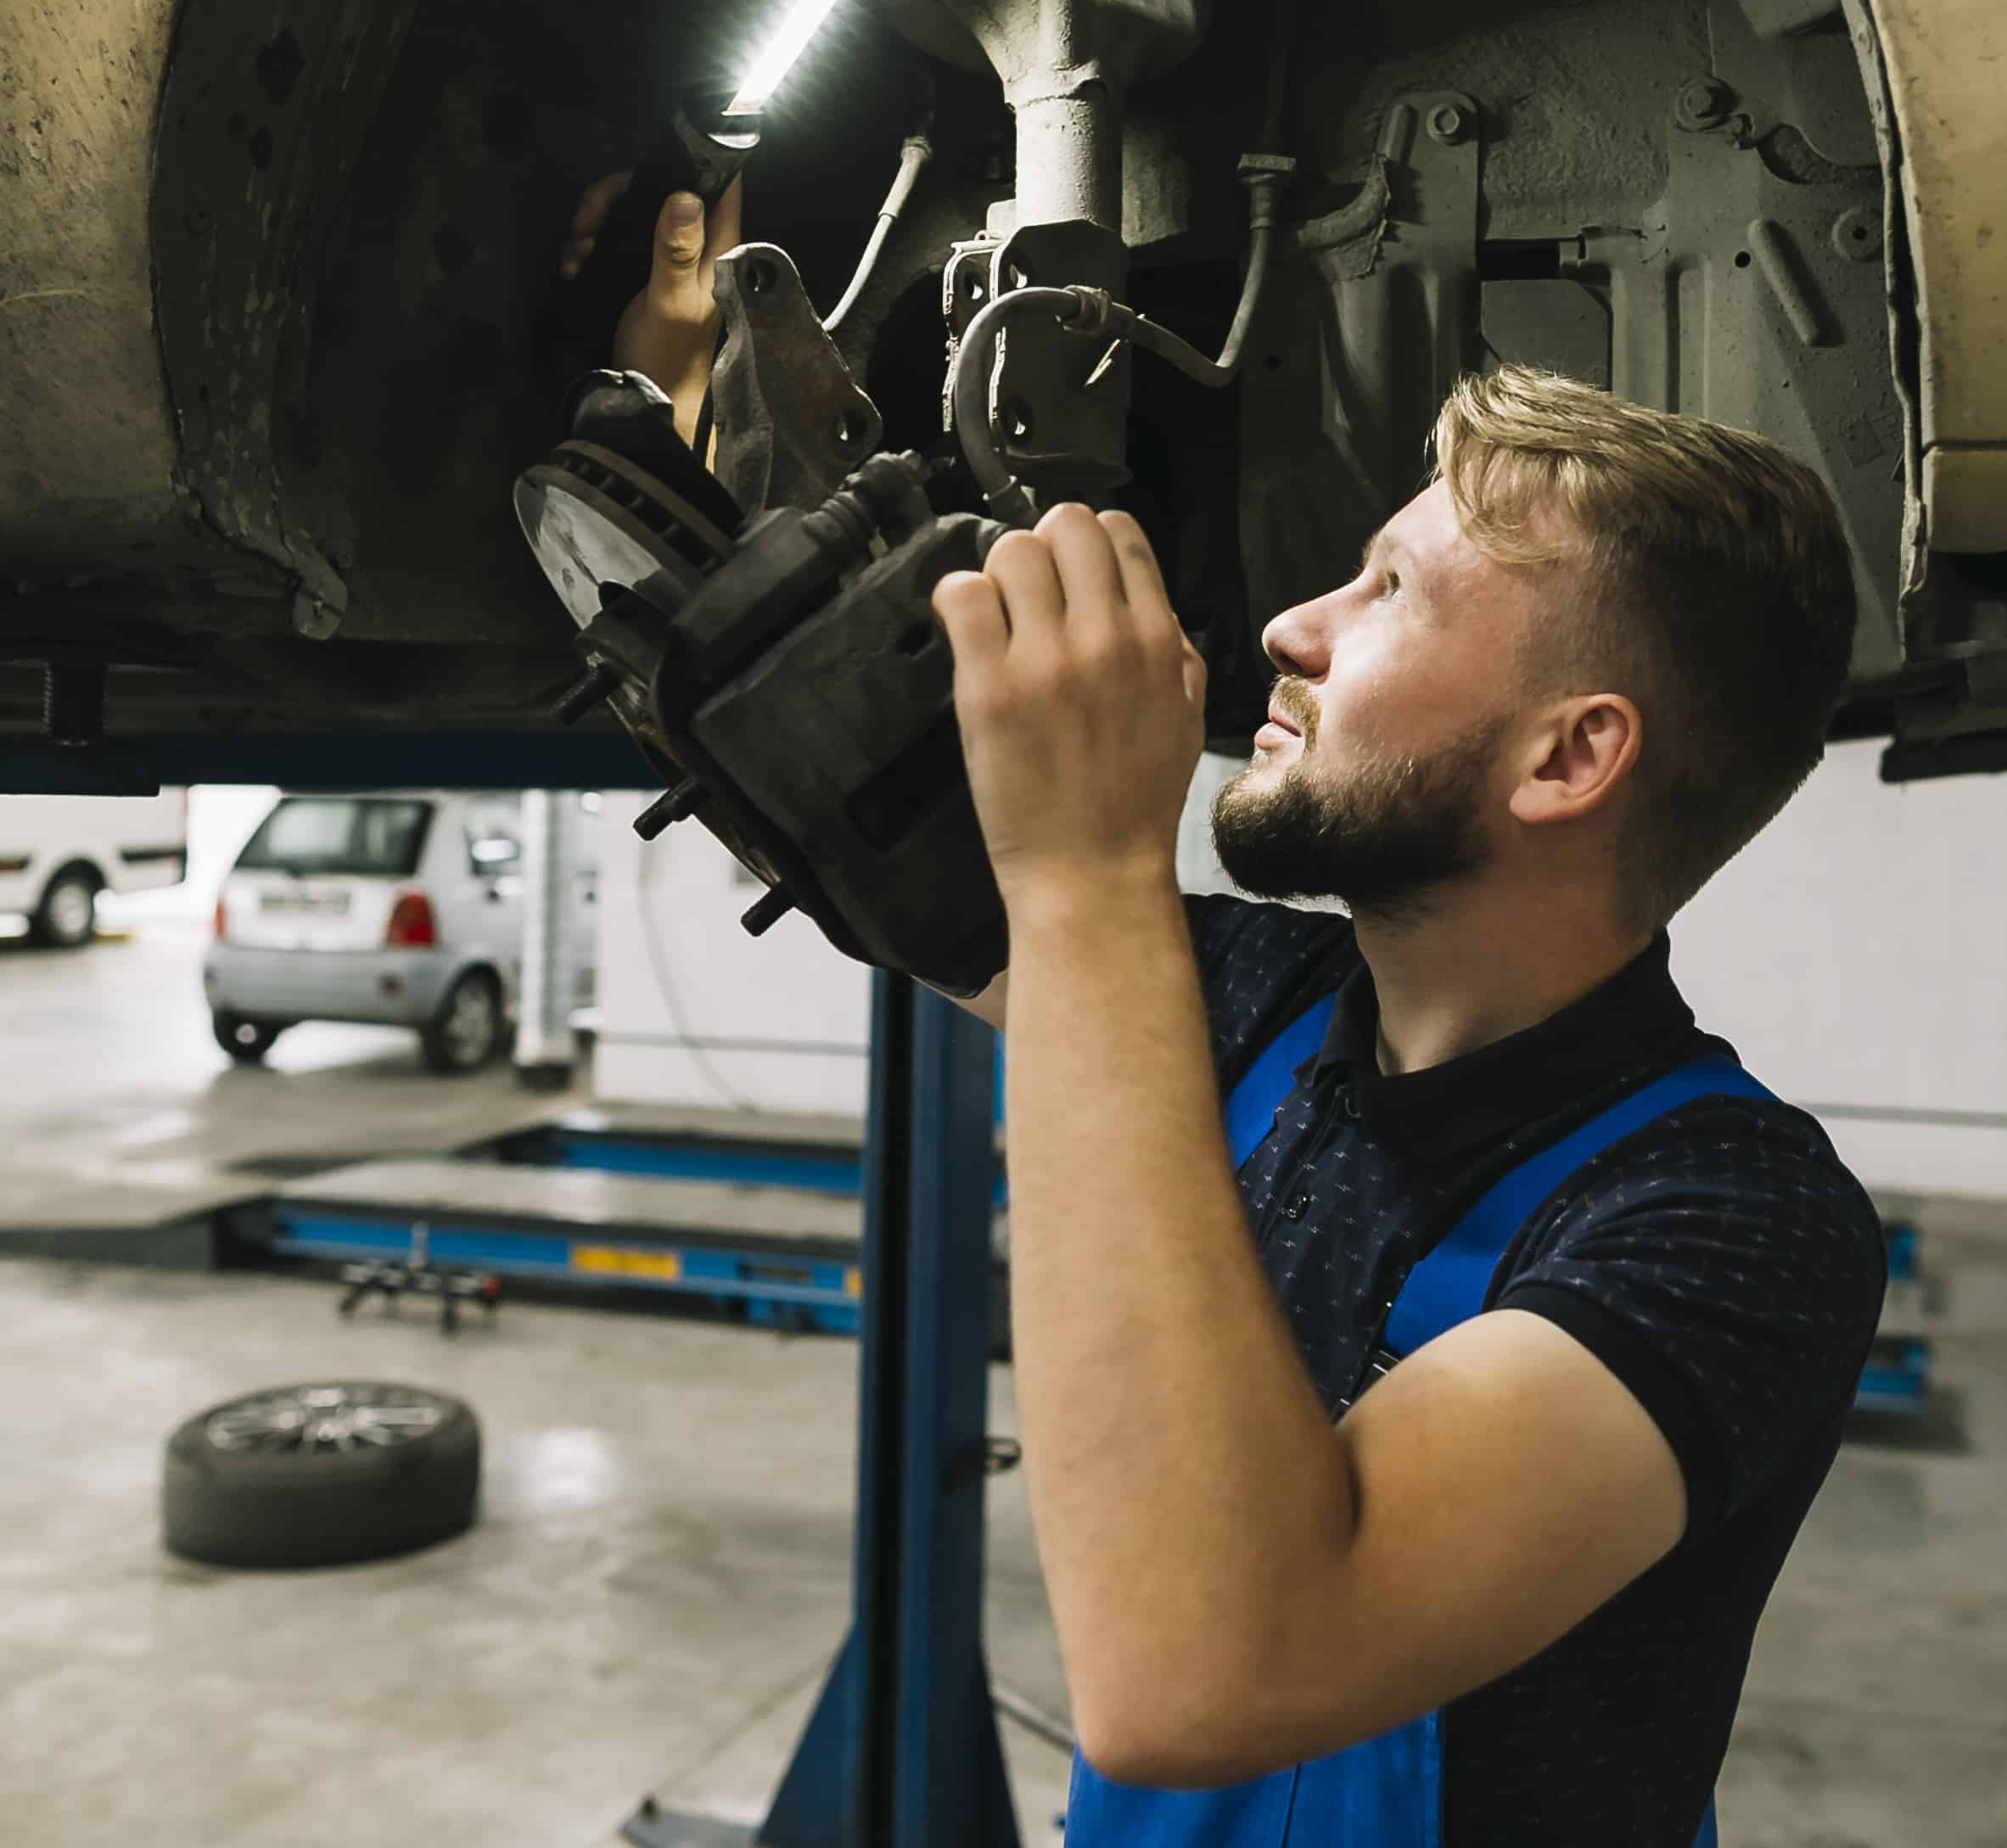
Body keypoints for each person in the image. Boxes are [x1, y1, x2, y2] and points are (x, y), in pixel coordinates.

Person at [586, 182, 1887, 1846]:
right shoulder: (1254, 998)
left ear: (1571, 756)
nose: (1290, 628)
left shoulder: (1734, 1226)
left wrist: (1086, 867)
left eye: (1391, 592)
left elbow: (1204, 1676)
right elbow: (876, 853)